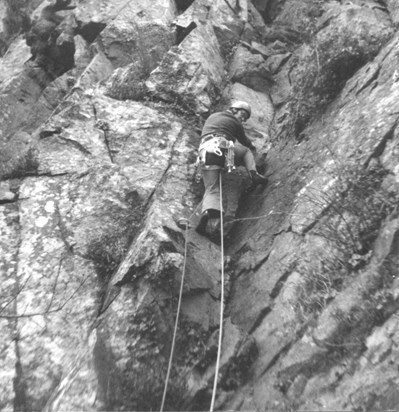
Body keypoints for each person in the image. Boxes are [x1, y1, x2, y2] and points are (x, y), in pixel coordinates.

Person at [195, 101, 267, 237]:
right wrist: (254, 148)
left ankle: (208, 213)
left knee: (211, 188)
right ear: (233, 110)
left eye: (245, 117)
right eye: (242, 114)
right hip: (223, 148)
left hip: (205, 152)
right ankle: (253, 174)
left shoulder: (213, 117)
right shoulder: (234, 121)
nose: (243, 119)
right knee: (246, 151)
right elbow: (244, 141)